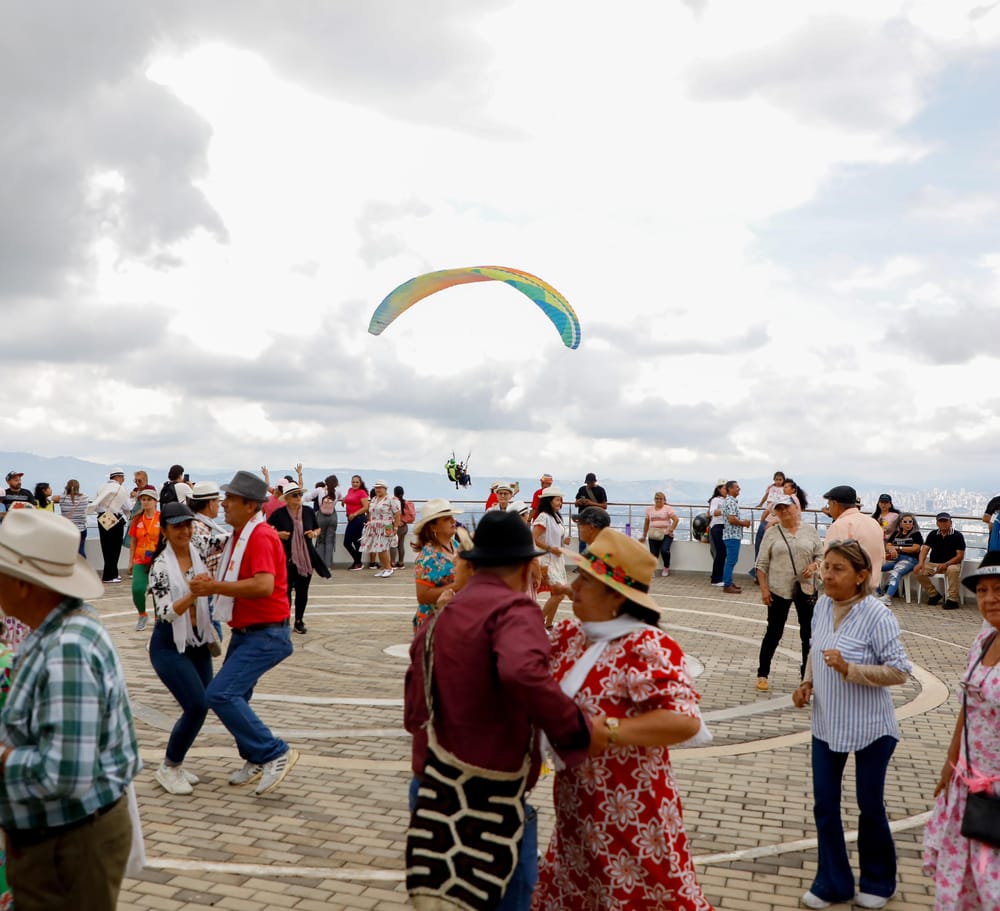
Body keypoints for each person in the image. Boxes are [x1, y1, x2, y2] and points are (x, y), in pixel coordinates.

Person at [404, 511, 594, 911]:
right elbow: (522, 671)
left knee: (444, 899)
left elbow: (413, 711)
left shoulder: (441, 616)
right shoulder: (514, 611)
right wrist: (574, 730)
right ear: (529, 566)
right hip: (490, 795)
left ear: (473, 564)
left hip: (433, 785)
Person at [532, 527, 712, 910]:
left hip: (634, 817)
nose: (574, 586)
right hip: (578, 811)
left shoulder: (645, 645)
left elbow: (685, 721)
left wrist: (612, 730)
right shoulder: (572, 637)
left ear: (615, 596)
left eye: (586, 580)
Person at [0, 509, 141, 909]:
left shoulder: (67, 650)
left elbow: (64, 773)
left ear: (25, 585)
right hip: (63, 839)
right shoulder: (61, 628)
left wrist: (4, 758)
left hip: (67, 845)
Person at [792, 540, 912, 910]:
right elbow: (815, 647)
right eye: (826, 566)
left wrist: (851, 670)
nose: (827, 574)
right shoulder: (823, 604)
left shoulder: (877, 615)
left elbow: (900, 671)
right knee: (825, 806)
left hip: (871, 729)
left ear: (861, 576)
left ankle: (878, 881)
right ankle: (833, 882)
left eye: (838, 569)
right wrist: (807, 683)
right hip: (827, 725)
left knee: (869, 805)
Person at [189, 470, 298, 797]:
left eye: (231, 499)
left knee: (220, 694)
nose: (224, 504)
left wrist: (214, 587)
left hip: (266, 634)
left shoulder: (260, 537)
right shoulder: (241, 535)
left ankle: (273, 751)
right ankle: (254, 757)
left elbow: (264, 585)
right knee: (239, 696)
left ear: (250, 505)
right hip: (247, 631)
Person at [923, 550, 1000, 909]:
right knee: (961, 883)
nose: (990, 598)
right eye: (983, 590)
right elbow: (968, 708)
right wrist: (950, 762)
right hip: (968, 784)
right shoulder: (983, 641)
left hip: (996, 792)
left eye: (999, 589)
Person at [147, 502, 221, 795]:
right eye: (177, 526)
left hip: (198, 641)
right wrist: (194, 592)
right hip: (168, 644)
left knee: (207, 702)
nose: (185, 531)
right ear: (164, 530)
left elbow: (230, 543)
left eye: (188, 524)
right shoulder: (160, 567)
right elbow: (165, 611)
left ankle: (176, 763)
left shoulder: (200, 545)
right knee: (195, 705)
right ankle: (169, 766)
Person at [754, 495, 823, 692]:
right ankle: (763, 673)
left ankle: (806, 677)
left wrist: (815, 565)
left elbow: (820, 554)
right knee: (774, 632)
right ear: (775, 512)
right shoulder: (772, 533)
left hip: (806, 588)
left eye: (787, 508)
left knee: (808, 634)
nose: (784, 512)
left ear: (796, 508)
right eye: (780, 509)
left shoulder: (809, 531)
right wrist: (764, 589)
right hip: (778, 588)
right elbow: (761, 564)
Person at [267, 480, 330, 634]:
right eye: (295, 495)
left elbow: (317, 528)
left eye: (300, 494)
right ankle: (285, 619)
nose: (298, 497)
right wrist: (278, 534)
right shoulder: (279, 514)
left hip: (306, 558)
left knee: (303, 591)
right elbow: (266, 531)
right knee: (285, 592)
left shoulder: (308, 512)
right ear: (287, 498)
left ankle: (299, 621)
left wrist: (314, 533)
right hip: (285, 559)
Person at [411, 499, 466, 630]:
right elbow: (423, 596)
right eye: (447, 519)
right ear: (433, 527)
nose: (453, 521)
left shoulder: (456, 546)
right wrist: (457, 586)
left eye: (452, 517)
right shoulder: (427, 557)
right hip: (434, 623)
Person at [821, 485, 886, 590]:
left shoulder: (840, 525)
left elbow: (828, 562)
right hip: (870, 590)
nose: (829, 509)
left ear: (835, 504)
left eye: (829, 504)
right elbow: (882, 558)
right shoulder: (873, 523)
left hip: (847, 591)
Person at [534, 487, 572, 628]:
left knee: (556, 594)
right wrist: (550, 548)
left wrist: (563, 542)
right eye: (557, 500)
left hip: (556, 559)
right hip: (547, 559)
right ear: (549, 501)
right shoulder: (543, 517)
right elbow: (535, 538)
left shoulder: (555, 517)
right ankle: (539, 622)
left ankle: (548, 624)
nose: (560, 503)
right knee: (559, 594)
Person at [914, 512, 967, 610]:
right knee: (918, 571)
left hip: (952, 563)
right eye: (940, 521)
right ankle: (933, 594)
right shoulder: (933, 534)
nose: (943, 523)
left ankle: (953, 599)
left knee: (952, 570)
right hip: (934, 563)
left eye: (945, 521)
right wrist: (921, 563)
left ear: (950, 522)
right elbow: (925, 550)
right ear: (937, 523)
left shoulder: (957, 535)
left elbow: (960, 555)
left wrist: (946, 564)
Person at [88, 469, 132, 583]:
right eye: (123, 477)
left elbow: (96, 504)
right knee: (115, 547)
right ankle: (110, 575)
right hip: (114, 517)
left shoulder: (101, 487)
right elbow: (128, 506)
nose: (123, 480)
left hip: (102, 517)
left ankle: (111, 573)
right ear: (119, 477)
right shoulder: (120, 489)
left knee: (106, 546)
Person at [126, 485, 160, 631]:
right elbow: (133, 542)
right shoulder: (137, 520)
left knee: (159, 590)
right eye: (143, 499)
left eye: (149, 499)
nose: (146, 502)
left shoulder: (162, 518)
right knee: (137, 589)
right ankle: (142, 614)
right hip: (140, 559)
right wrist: (130, 562)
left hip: (158, 559)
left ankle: (159, 619)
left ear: (155, 501)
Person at [878, 514, 923, 606]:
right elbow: (888, 545)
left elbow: (916, 548)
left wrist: (898, 548)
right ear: (900, 523)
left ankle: (888, 597)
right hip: (896, 560)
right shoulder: (896, 533)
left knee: (896, 572)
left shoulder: (916, 534)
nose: (908, 524)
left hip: (910, 560)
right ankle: (877, 591)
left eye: (910, 521)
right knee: (875, 568)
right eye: (905, 521)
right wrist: (892, 549)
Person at [359, 480, 400, 578]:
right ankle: (384, 568)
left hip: (387, 525)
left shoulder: (391, 499)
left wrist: (396, 527)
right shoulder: (373, 499)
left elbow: (397, 513)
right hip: (375, 526)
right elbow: (370, 512)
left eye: (380, 488)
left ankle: (389, 568)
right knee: (378, 547)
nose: (378, 490)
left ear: (385, 489)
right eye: (376, 488)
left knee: (383, 548)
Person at [752, 471, 787, 580]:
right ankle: (758, 574)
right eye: (776, 479)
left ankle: (762, 575)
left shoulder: (784, 492)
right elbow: (766, 498)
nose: (778, 481)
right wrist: (761, 504)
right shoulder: (771, 489)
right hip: (768, 521)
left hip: (773, 522)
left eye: (780, 479)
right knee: (760, 548)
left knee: (767, 549)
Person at [640, 491, 679, 577]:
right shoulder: (649, 509)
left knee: (664, 551)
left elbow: (676, 519)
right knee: (653, 553)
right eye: (656, 498)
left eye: (660, 499)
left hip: (666, 534)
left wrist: (671, 529)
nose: (658, 500)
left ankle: (666, 567)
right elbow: (646, 523)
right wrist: (644, 535)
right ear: (654, 500)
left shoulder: (668, 508)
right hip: (653, 534)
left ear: (664, 500)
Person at [722, 480, 751, 594]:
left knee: (730, 560)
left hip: (731, 535)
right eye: (737, 487)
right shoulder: (731, 502)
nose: (739, 489)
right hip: (732, 535)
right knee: (731, 561)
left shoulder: (730, 501)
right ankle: (727, 584)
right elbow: (732, 519)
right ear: (730, 489)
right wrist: (744, 523)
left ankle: (728, 581)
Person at [312, 474, 342, 570]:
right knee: (329, 541)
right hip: (332, 517)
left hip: (321, 516)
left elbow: (307, 497)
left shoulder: (320, 490)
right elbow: (342, 498)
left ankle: (320, 564)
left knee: (321, 540)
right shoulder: (338, 491)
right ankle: (328, 565)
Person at [574, 474, 608, 552]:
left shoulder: (600, 490)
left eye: (590, 483)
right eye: (588, 483)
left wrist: (591, 503)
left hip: (595, 519)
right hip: (583, 519)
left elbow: (604, 506)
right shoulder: (582, 489)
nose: (589, 485)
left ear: (595, 481)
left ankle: (595, 561)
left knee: (595, 541)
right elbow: (575, 504)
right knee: (582, 541)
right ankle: (582, 561)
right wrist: (579, 502)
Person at [342, 475, 369, 571]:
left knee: (353, 542)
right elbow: (348, 497)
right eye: (353, 482)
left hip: (359, 518)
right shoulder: (350, 490)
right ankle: (357, 561)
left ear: (360, 483)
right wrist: (343, 500)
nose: (355, 484)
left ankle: (358, 562)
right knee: (348, 542)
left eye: (357, 482)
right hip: (351, 519)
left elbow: (366, 507)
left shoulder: (362, 493)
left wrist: (354, 514)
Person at [59, 478, 90, 557]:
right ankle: (82, 567)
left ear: (67, 487)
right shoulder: (85, 497)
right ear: (78, 487)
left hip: (67, 529)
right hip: (81, 529)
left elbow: (53, 498)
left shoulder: (62, 498)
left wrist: (66, 492)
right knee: (80, 551)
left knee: (68, 552)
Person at [708, 481, 727, 587]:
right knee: (720, 553)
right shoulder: (716, 500)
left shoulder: (726, 500)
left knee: (723, 553)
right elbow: (712, 512)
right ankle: (716, 578)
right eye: (724, 488)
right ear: (719, 489)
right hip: (717, 526)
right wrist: (724, 511)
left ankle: (719, 576)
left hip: (724, 527)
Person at [392, 485, 414, 568]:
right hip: (405, 526)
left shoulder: (394, 502)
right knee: (401, 544)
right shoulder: (406, 503)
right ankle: (401, 563)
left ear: (394, 493)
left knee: (393, 544)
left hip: (397, 526)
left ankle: (392, 563)